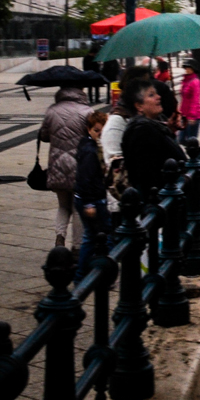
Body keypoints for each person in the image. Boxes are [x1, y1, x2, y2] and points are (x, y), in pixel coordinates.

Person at [39, 87, 90, 250]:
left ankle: (59, 238)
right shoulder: (87, 111)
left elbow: (44, 136)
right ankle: (76, 246)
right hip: (79, 166)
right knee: (77, 207)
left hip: (57, 165)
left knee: (62, 206)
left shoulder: (52, 110)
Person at [121, 80, 186, 193]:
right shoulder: (143, 131)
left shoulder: (154, 125)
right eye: (151, 95)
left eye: (156, 93)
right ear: (139, 106)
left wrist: (169, 131)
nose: (158, 97)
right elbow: (148, 174)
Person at [74, 110, 110, 283]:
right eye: (97, 131)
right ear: (89, 129)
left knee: (94, 236)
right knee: (98, 235)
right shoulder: (90, 151)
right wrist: (89, 203)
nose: (99, 135)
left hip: (90, 197)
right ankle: (89, 274)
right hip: (91, 198)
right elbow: (85, 178)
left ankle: (86, 274)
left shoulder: (91, 147)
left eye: (103, 132)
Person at [178, 59, 200, 143]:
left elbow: (195, 100)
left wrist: (192, 116)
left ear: (194, 69)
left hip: (193, 116)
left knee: (191, 141)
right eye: (186, 68)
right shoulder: (185, 81)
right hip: (185, 115)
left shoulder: (195, 82)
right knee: (181, 139)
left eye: (189, 68)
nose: (187, 69)